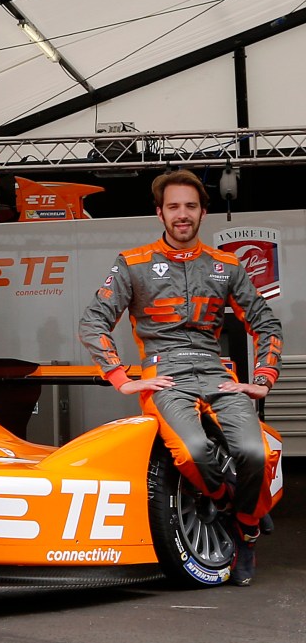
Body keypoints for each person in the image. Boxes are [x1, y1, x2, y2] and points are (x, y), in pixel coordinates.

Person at [79, 169, 282, 586]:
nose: (182, 214)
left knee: (255, 453)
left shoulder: (226, 265)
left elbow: (266, 323)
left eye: (190, 206)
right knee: (191, 452)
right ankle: (233, 506)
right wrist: (122, 378)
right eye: (174, 206)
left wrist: (262, 378)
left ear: (203, 212)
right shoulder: (132, 263)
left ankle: (246, 532)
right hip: (164, 372)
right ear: (160, 213)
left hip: (216, 370)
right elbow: (92, 323)